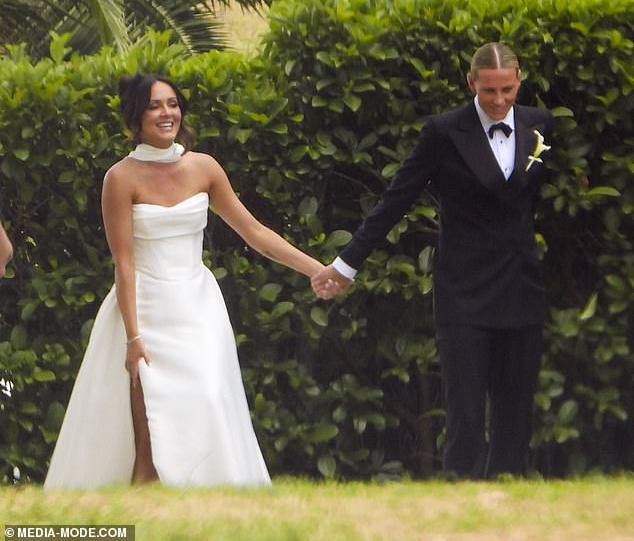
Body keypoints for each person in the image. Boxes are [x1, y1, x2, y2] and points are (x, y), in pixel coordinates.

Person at [45, 73, 324, 489]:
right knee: (147, 430)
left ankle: (214, 495)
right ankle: (146, 497)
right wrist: (133, 337)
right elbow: (123, 263)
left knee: (210, 395)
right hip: (144, 309)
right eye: (155, 105)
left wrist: (318, 270)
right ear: (136, 115)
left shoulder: (204, 167)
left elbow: (256, 233)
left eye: (172, 104)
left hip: (197, 306)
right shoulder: (119, 179)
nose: (166, 113)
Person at [312, 42, 554, 479]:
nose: (499, 101)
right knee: (464, 416)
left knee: (516, 417)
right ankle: (460, 509)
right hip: (464, 289)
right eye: (489, 92)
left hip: (521, 285)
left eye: (507, 90)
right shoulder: (444, 132)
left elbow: (529, 201)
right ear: (471, 84)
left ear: (519, 82)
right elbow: (396, 199)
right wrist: (346, 265)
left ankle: (510, 512)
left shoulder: (541, 125)